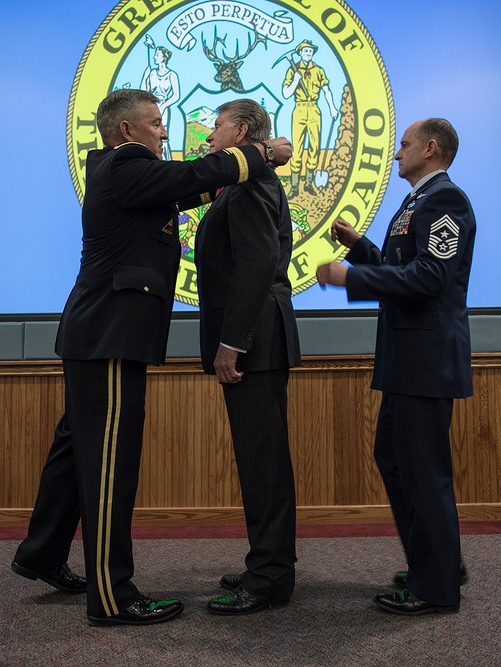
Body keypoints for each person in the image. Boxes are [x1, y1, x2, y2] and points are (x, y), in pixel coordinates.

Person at [11, 89, 292, 627]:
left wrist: (230, 176)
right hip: (111, 338)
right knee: (110, 466)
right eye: (158, 123)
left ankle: (41, 552)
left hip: (97, 336)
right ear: (126, 132)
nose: (167, 133)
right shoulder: (126, 165)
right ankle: (114, 596)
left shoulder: (129, 176)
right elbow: (188, 180)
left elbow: (186, 191)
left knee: (77, 451)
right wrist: (259, 155)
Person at [315, 118, 475, 616]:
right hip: (408, 359)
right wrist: (360, 248)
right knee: (395, 459)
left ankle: (437, 587)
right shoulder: (416, 202)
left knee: (423, 472)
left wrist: (352, 276)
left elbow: (430, 277)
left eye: (404, 144)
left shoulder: (446, 200)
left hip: (425, 359)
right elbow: (403, 264)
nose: (395, 153)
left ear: (431, 148)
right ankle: (436, 563)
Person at [194, 99, 301, 615]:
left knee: (264, 462)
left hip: (254, 340)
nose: (209, 134)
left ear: (241, 131)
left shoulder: (250, 183)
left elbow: (257, 266)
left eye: (216, 125)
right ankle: (267, 561)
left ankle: (270, 577)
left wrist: (232, 341)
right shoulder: (240, 183)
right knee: (260, 459)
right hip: (257, 337)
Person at [281, 39, 338, 199]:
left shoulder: (318, 70)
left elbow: (326, 90)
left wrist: (332, 108)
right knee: (297, 148)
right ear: (300, 53)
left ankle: (308, 183)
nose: (308, 53)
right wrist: (296, 80)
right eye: (305, 51)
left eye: (310, 51)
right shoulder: (293, 70)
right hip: (299, 108)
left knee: (315, 147)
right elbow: (286, 93)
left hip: (314, 109)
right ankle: (294, 186)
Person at [140, 35, 180, 160]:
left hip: (164, 106)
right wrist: (145, 77)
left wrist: (164, 104)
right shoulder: (151, 73)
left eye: (157, 55)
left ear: (164, 57)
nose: (154, 57)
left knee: (162, 135)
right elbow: (142, 92)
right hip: (151, 108)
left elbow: (176, 95)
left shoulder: (171, 75)